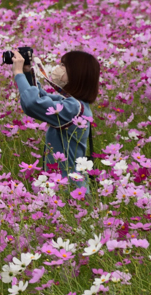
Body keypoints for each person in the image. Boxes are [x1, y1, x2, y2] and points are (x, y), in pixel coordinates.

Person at [10, 49, 101, 192]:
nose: (58, 69)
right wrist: (27, 72)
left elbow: (32, 103)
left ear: (77, 74)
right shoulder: (76, 104)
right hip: (66, 186)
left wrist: (18, 74)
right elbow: (42, 97)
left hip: (69, 191)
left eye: (63, 66)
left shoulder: (73, 108)